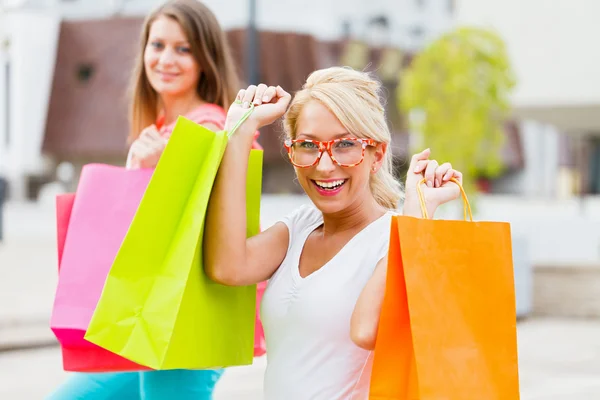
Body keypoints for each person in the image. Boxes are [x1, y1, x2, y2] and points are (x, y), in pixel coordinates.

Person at [204, 67, 464, 399]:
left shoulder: (397, 237)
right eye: (308, 146)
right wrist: (239, 131)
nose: (324, 165)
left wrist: (415, 217)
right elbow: (228, 266)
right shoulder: (301, 225)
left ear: (377, 154)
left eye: (344, 145)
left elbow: (368, 330)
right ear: (291, 153)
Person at [47, 0, 261, 399]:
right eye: (157, 45)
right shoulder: (161, 128)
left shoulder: (211, 124)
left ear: (205, 59)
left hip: (185, 313)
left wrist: (159, 164)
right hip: (150, 312)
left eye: (183, 49)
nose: (166, 59)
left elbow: (210, 221)